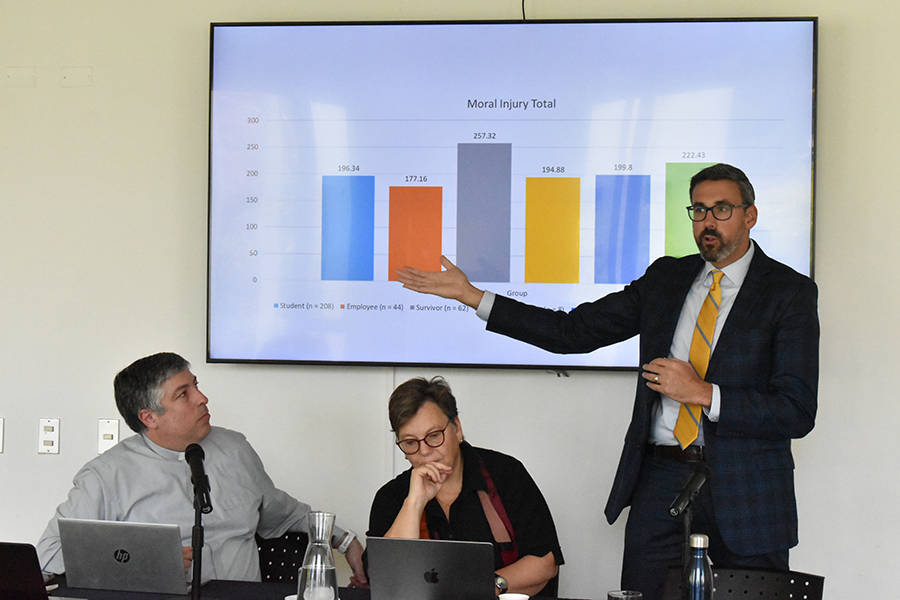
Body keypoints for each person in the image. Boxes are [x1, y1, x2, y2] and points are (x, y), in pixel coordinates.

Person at [395, 164, 819, 600]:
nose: (708, 222)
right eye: (699, 210)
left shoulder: (789, 292)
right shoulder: (667, 279)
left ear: (750, 215)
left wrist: (702, 393)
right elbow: (571, 332)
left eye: (722, 209)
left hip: (750, 487)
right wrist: (474, 297)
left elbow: (796, 409)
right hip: (662, 476)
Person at [37, 352, 367, 586]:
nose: (202, 398)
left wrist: (345, 540)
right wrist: (139, 557)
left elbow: (284, 514)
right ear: (149, 418)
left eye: (196, 385)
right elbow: (48, 555)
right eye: (184, 394)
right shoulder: (106, 476)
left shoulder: (235, 449)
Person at [366, 377, 564, 597]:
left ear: (457, 429)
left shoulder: (506, 474)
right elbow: (387, 580)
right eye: (411, 442)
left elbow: (545, 562)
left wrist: (485, 587)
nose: (424, 452)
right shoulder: (391, 496)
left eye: (433, 436)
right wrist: (414, 503)